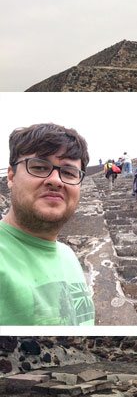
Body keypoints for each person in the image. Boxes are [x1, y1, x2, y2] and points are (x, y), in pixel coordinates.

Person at [0, 123, 95, 325]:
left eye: (69, 173)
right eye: (40, 167)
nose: (55, 180)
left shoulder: (68, 256)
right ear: (11, 176)